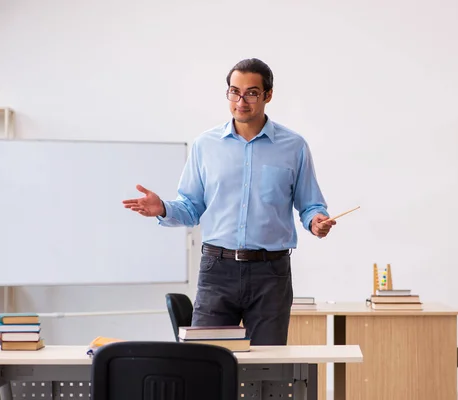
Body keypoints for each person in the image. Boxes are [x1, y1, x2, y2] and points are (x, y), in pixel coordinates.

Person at [122, 58, 335, 345]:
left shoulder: (293, 146)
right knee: (206, 364)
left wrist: (316, 221)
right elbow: (190, 207)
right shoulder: (205, 145)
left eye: (251, 93)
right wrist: (163, 208)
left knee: (268, 367)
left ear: (268, 95)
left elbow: (310, 204)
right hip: (217, 270)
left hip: (271, 273)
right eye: (234, 91)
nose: (241, 101)